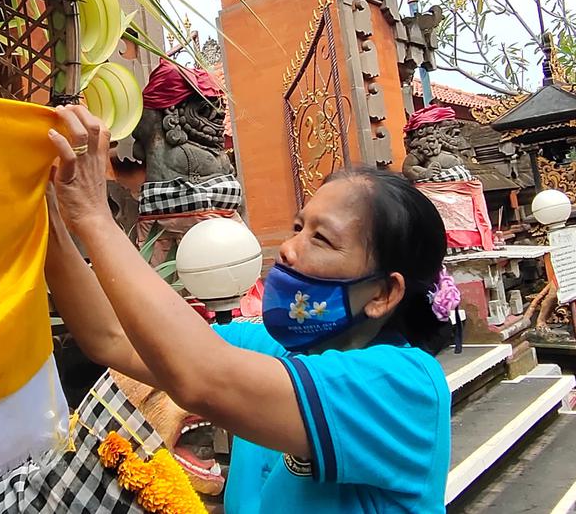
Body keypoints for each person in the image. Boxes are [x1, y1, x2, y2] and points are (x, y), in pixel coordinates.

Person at [43, 105, 453, 514]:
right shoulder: (270, 350)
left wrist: (95, 218)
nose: (289, 250)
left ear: (383, 292)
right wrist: (52, 214)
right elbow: (112, 336)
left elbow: (201, 378)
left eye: (322, 239)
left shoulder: (404, 386)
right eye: (298, 228)